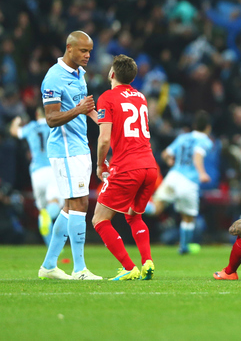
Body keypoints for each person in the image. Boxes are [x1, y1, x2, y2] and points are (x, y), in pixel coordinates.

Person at [38, 31, 102, 280]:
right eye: (84, 51)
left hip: (80, 145)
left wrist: (102, 122)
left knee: (70, 206)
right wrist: (79, 109)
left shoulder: (79, 73)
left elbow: (86, 108)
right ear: (69, 48)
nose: (88, 56)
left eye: (90, 51)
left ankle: (49, 266)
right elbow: (51, 119)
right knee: (79, 204)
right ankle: (79, 269)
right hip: (65, 149)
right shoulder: (54, 78)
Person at [91, 55, 158, 280]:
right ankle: (147, 261)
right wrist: (91, 113)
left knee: (99, 219)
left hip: (127, 167)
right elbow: (120, 123)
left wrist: (100, 165)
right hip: (149, 166)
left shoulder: (107, 97)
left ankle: (129, 267)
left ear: (111, 74)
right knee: (134, 216)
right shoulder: (140, 97)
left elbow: (104, 139)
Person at [152, 111, 213, 254]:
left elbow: (165, 154)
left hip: (173, 176)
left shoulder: (183, 137)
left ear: (194, 125)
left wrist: (169, 161)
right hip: (189, 181)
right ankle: (184, 247)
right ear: (208, 127)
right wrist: (202, 173)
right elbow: (198, 155)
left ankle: (132, 205)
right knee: (188, 217)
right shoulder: (206, 141)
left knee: (156, 208)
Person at [10, 108, 62, 245]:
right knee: (54, 205)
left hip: (36, 173)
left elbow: (14, 131)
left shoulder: (31, 127)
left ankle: (51, 249)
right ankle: (48, 218)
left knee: (42, 210)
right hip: (52, 170)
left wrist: (16, 122)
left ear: (37, 113)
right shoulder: (55, 125)